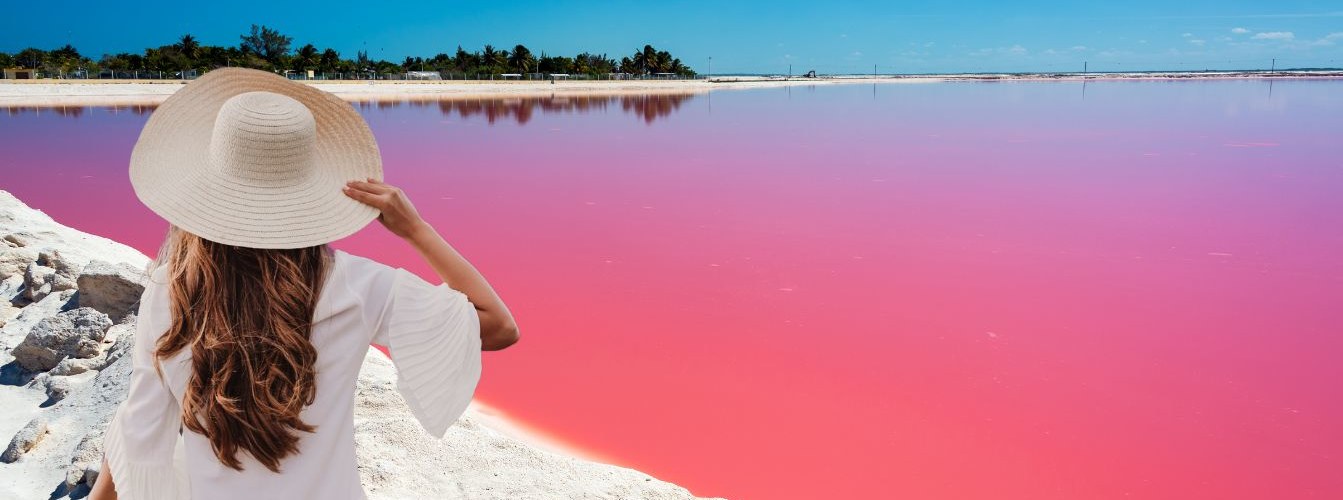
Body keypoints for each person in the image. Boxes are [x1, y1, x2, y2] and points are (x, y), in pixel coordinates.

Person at [88, 67, 518, 500]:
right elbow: (500, 326)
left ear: (207, 187)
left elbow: (140, 436)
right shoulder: (358, 285)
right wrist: (415, 229)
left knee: (135, 429)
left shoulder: (170, 291)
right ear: (311, 189)